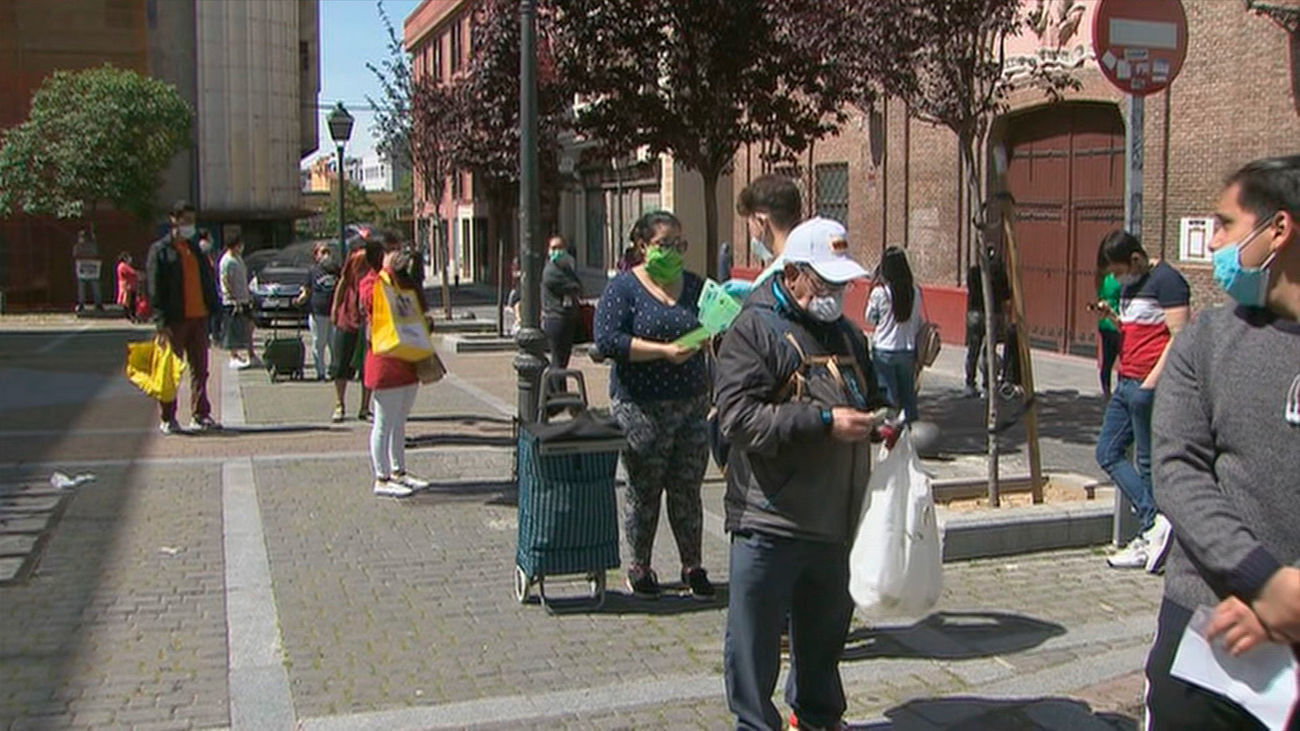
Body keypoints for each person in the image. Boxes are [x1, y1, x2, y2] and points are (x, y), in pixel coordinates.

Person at [714, 216, 887, 731]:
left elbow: (871, 398)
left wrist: (884, 423)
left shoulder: (849, 335)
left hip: (835, 521)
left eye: (843, 282)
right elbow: (737, 420)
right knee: (754, 646)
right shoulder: (753, 330)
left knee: (823, 642)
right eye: (824, 280)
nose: (836, 292)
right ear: (791, 274)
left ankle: (816, 720)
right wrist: (823, 421)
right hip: (770, 520)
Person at [1145, 155, 1300, 728]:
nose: (1212, 242)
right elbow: (1178, 470)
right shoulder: (1208, 340)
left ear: (1277, 230)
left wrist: (1292, 604)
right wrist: (1265, 581)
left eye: (1225, 223)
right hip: (1209, 629)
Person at [594, 210, 715, 600]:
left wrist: (707, 337)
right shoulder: (624, 289)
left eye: (680, 244)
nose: (674, 251)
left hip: (692, 403)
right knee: (644, 490)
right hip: (641, 407)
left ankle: (692, 566)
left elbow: (712, 324)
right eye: (665, 244)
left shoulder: (695, 287)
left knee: (687, 488)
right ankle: (640, 567)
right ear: (643, 245)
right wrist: (663, 351)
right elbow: (608, 340)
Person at [1093, 229, 1188, 570]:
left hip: (1149, 384)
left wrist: (1151, 384)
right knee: (1107, 452)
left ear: (1135, 259)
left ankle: (1153, 534)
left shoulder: (1168, 281)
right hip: (1126, 381)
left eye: (1119, 272)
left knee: (1147, 464)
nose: (1117, 279)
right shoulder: (1130, 287)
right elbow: (1135, 330)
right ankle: (1154, 523)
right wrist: (1113, 318)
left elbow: (1179, 338)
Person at [359, 247, 431, 498]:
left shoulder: (403, 280)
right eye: (393, 250)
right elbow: (371, 302)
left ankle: (399, 471)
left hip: (407, 360)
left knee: (400, 421)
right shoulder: (372, 282)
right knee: (384, 422)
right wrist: (386, 272)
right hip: (385, 363)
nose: (399, 255)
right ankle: (382, 476)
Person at [146, 200, 221, 434]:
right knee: (170, 370)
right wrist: (160, 322)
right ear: (173, 220)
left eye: (192, 220)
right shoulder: (161, 251)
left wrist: (214, 309)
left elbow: (207, 281)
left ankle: (200, 414)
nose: (190, 225)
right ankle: (168, 416)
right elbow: (154, 287)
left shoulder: (195, 249)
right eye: (185, 220)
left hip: (199, 318)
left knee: (200, 369)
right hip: (175, 320)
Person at [866, 246, 924, 423]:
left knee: (888, 395)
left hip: (884, 349)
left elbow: (869, 318)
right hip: (907, 349)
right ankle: (912, 430)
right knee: (908, 395)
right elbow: (918, 320)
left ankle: (891, 431)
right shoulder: (915, 291)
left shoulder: (880, 293)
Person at [724, 174, 803, 299]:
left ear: (761, 222)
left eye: (749, 222)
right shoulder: (812, 266)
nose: (750, 231)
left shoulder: (772, 280)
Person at [329, 235, 381, 423]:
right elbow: (343, 281)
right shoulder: (356, 259)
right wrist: (335, 307)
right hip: (349, 315)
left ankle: (365, 407)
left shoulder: (381, 265)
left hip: (369, 320)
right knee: (340, 363)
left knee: (368, 366)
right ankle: (339, 404)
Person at [963, 247, 1011, 398]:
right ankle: (987, 385)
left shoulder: (973, 273)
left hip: (975, 314)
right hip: (992, 314)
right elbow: (1006, 295)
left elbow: (971, 289)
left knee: (973, 350)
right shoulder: (998, 275)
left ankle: (970, 383)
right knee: (988, 351)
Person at [298, 243, 339, 380]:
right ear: (316, 256)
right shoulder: (313, 271)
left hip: (334, 313)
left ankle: (334, 371)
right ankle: (320, 372)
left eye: (328, 252)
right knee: (318, 343)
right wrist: (300, 299)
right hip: (318, 313)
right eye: (323, 252)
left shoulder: (336, 270)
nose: (326, 255)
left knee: (333, 344)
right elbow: (306, 289)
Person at [542, 235, 584, 371]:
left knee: (563, 361)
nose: (557, 251)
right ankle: (555, 390)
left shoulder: (566, 269)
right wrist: (575, 287)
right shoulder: (551, 271)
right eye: (554, 248)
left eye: (560, 248)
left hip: (568, 318)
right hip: (556, 319)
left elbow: (579, 286)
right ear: (548, 250)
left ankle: (559, 389)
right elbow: (575, 287)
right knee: (558, 360)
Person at [218, 235, 257, 369]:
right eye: (239, 245)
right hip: (233, 302)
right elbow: (225, 281)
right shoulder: (226, 261)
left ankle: (251, 354)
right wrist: (232, 298)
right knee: (233, 329)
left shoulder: (238, 258)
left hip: (244, 298)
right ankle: (234, 356)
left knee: (249, 326)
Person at [1094, 246, 1123, 400]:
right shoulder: (1118, 280)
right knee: (1123, 358)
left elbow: (1100, 297)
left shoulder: (1102, 279)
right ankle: (1119, 389)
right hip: (1116, 322)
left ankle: (1106, 389)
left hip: (1104, 323)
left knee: (1107, 359)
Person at [72, 229, 103, 312]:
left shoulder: (92, 245)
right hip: (82, 269)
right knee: (81, 287)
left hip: (92, 269)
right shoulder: (77, 246)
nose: (81, 239)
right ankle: (81, 304)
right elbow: (75, 255)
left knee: (95, 286)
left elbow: (95, 254)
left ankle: (98, 303)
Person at [115, 252, 140, 322]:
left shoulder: (123, 266)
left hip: (128, 285)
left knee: (128, 301)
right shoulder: (123, 266)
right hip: (128, 286)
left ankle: (129, 315)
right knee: (129, 301)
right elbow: (132, 272)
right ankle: (130, 315)